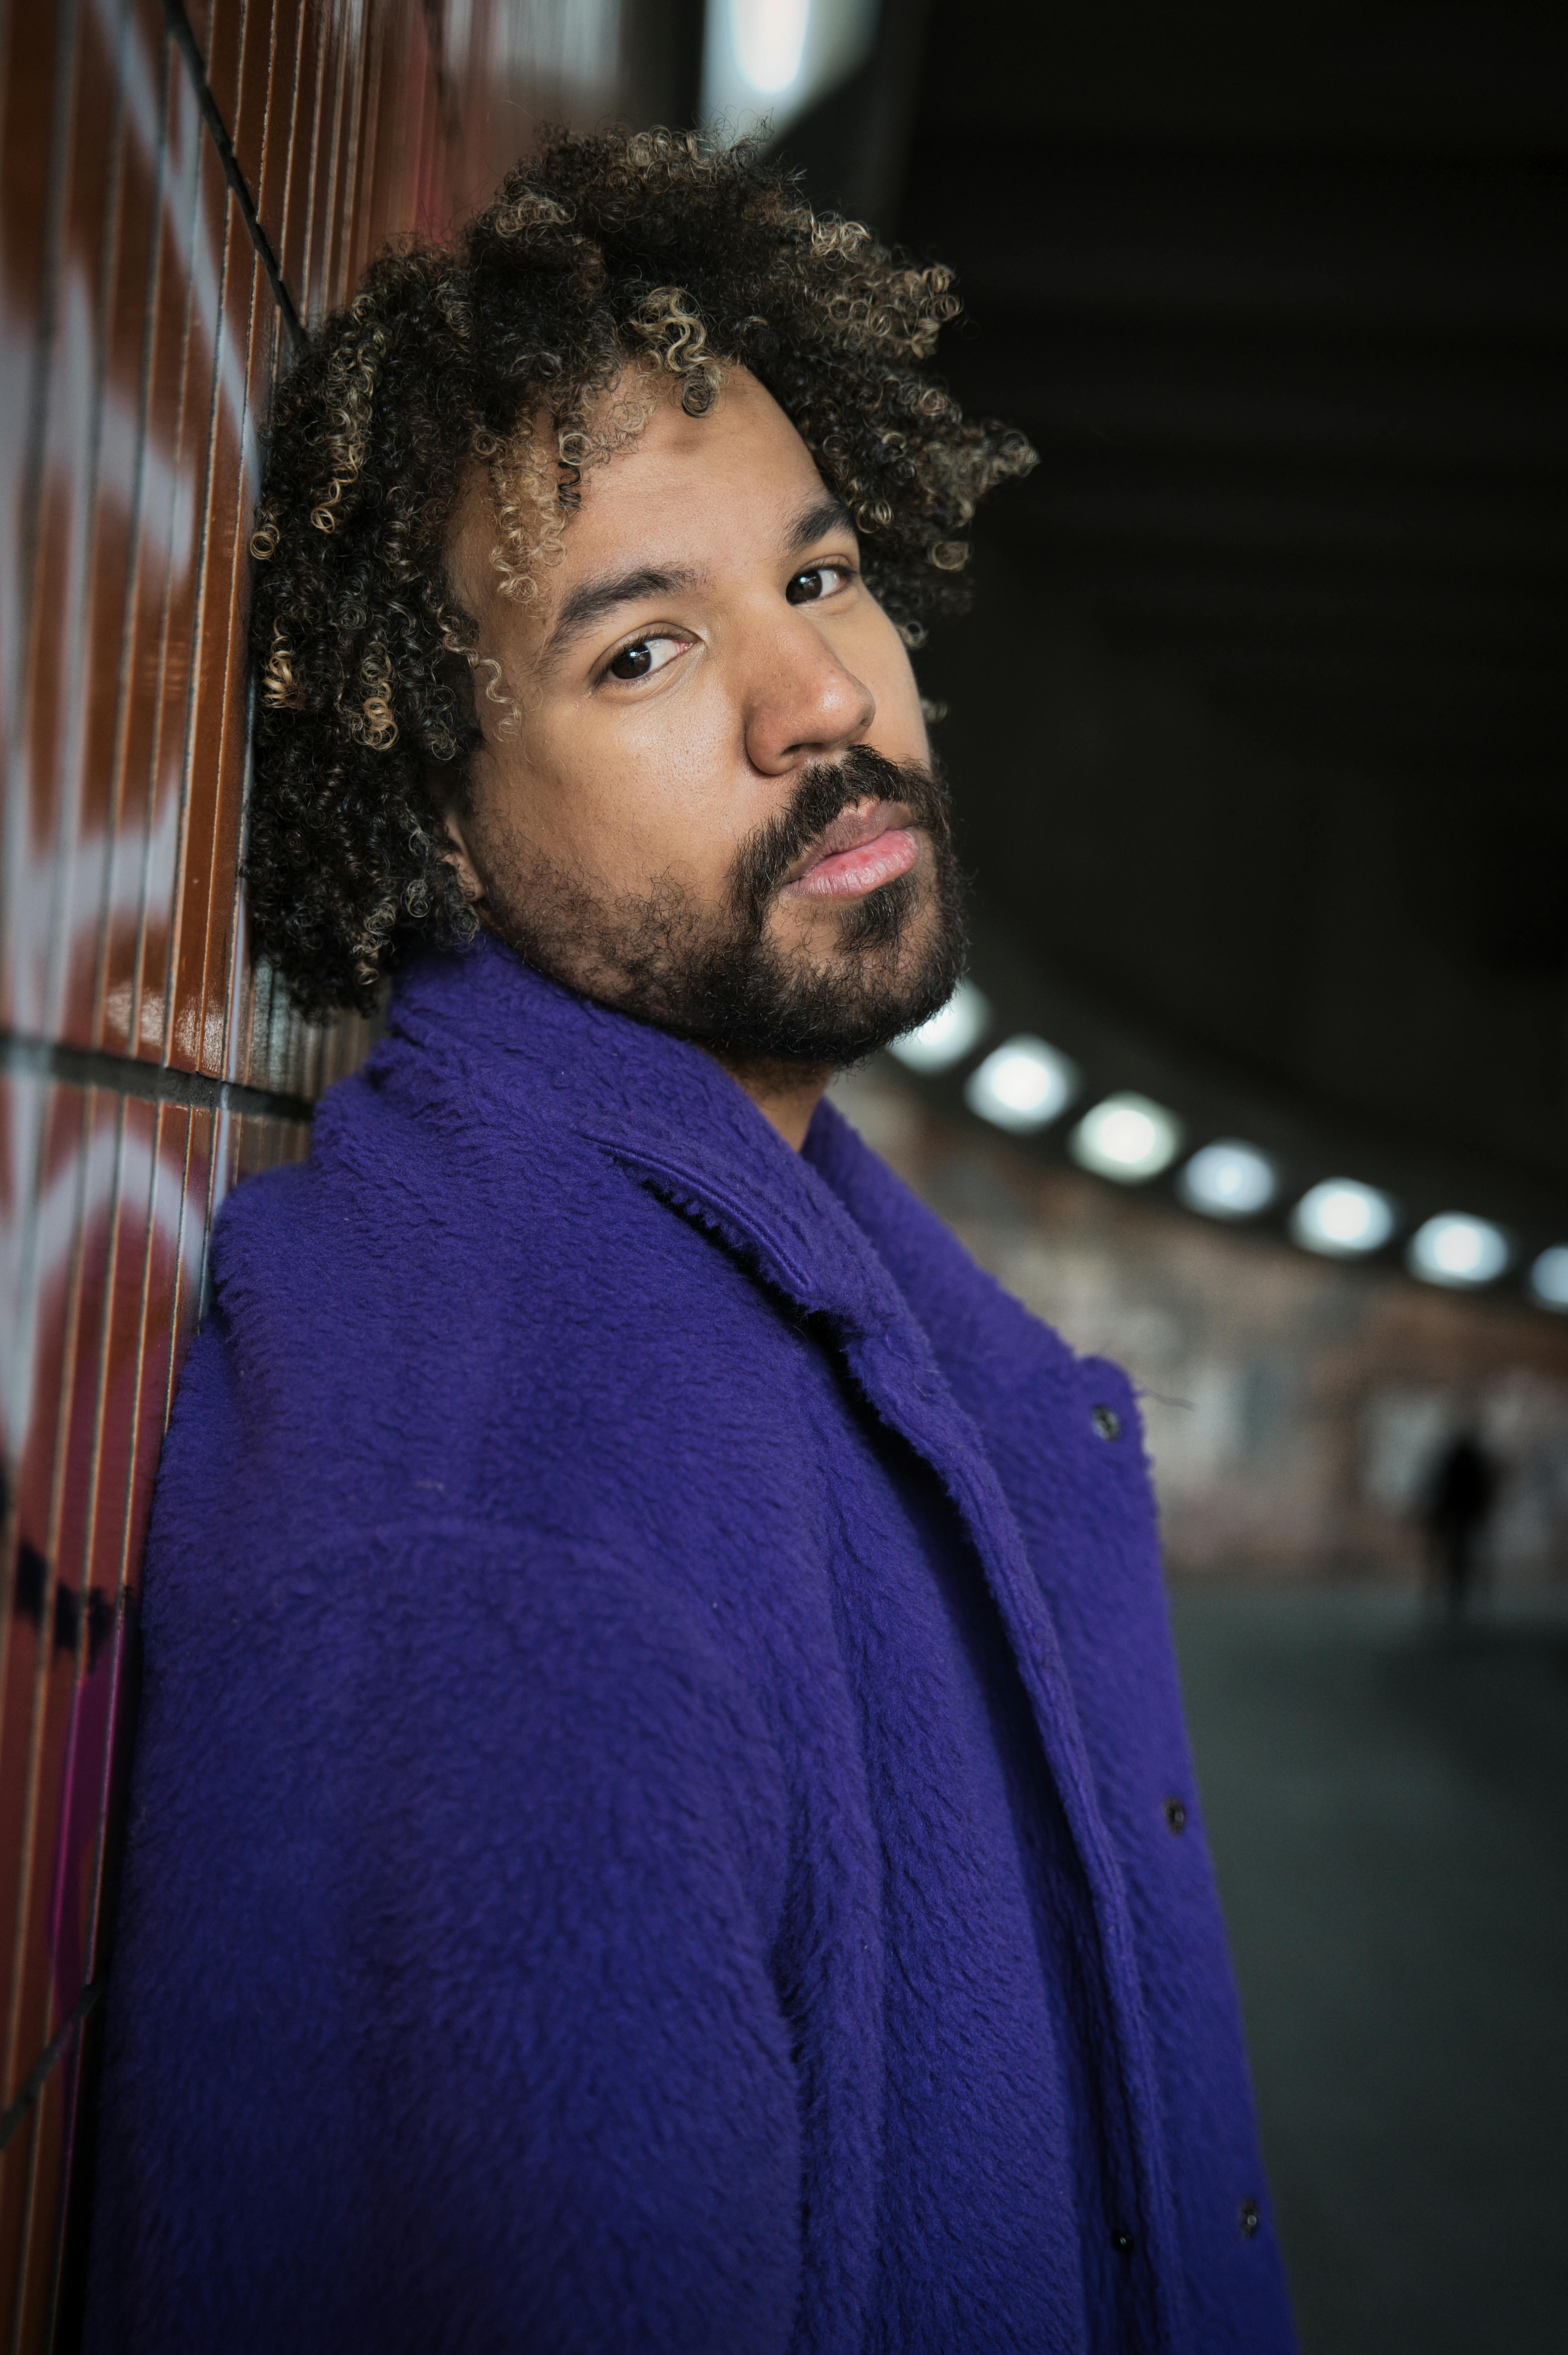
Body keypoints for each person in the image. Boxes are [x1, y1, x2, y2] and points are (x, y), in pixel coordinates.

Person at [85, 130, 1294, 2353]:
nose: (813, 702)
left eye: (816, 580)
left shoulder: (797, 1293)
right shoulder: (497, 1509)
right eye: (642, 651)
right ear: (440, 808)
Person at [1424, 1427, 1500, 1617]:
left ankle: (1456, 1592)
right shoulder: (1472, 1461)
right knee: (1463, 1555)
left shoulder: (1456, 1460)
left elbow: (1443, 1487)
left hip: (1459, 1514)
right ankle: (1461, 1592)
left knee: (1457, 1555)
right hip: (1466, 1514)